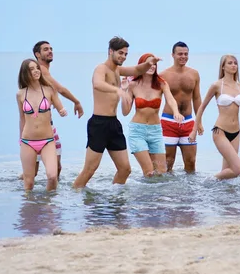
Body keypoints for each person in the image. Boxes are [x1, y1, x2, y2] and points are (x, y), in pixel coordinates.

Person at [72, 37, 161, 189]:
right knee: (90, 169)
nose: (123, 57)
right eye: (120, 53)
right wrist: (117, 90)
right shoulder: (101, 68)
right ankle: (75, 194)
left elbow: (137, 70)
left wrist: (149, 63)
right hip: (99, 124)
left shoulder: (118, 70)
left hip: (114, 124)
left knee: (125, 169)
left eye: (126, 54)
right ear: (110, 51)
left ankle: (114, 199)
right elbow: (97, 84)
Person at [20, 41, 84, 180]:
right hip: (36, 133)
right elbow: (59, 89)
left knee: (55, 167)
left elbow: (52, 93)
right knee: (33, 172)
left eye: (51, 49)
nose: (50, 51)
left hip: (48, 127)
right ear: (37, 54)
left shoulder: (43, 72)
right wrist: (76, 101)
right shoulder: (41, 71)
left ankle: (51, 193)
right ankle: (38, 195)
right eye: (45, 49)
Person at [192, 54, 240, 180]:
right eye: (230, 63)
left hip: (236, 132)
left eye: (235, 63)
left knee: (229, 173)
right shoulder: (217, 85)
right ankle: (209, 181)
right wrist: (194, 130)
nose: (234, 65)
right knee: (238, 169)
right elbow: (201, 107)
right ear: (223, 67)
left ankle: (224, 198)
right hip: (220, 131)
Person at [121, 53, 184, 177]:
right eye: (149, 63)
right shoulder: (133, 84)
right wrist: (123, 91)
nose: (152, 66)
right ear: (142, 66)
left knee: (161, 172)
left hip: (155, 131)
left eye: (154, 64)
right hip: (137, 131)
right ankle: (145, 196)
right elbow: (125, 111)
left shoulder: (161, 84)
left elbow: (170, 100)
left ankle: (157, 196)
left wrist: (176, 112)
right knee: (149, 172)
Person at [17, 59, 68, 191]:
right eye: (32, 69)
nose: (36, 71)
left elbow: (59, 106)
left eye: (37, 68)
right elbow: (22, 118)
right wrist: (20, 139)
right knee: (29, 183)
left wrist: (62, 111)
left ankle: (48, 204)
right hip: (28, 141)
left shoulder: (49, 90)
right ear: (25, 73)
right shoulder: (21, 94)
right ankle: (30, 208)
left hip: (47, 140)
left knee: (52, 176)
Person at [158, 41, 202, 173]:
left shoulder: (194, 74)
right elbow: (155, 99)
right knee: (168, 162)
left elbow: (196, 98)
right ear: (173, 55)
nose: (183, 56)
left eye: (186, 54)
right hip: (169, 121)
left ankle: (189, 192)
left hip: (188, 121)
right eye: (180, 54)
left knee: (191, 162)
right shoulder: (163, 75)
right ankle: (167, 192)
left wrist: (199, 122)